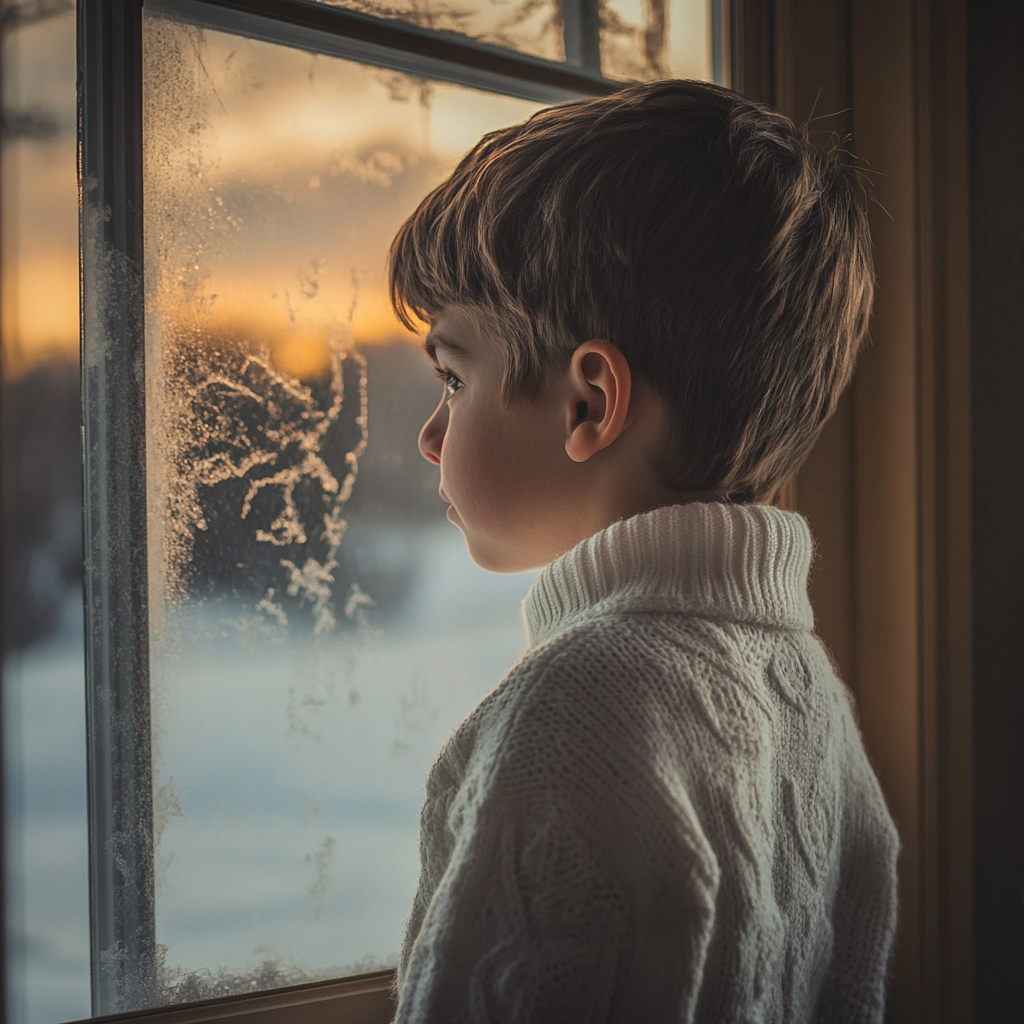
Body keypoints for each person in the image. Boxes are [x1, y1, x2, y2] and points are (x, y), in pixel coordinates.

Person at [386, 79, 899, 1023]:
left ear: (589, 404)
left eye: (454, 377)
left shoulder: (575, 713)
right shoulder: (809, 695)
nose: (430, 436)